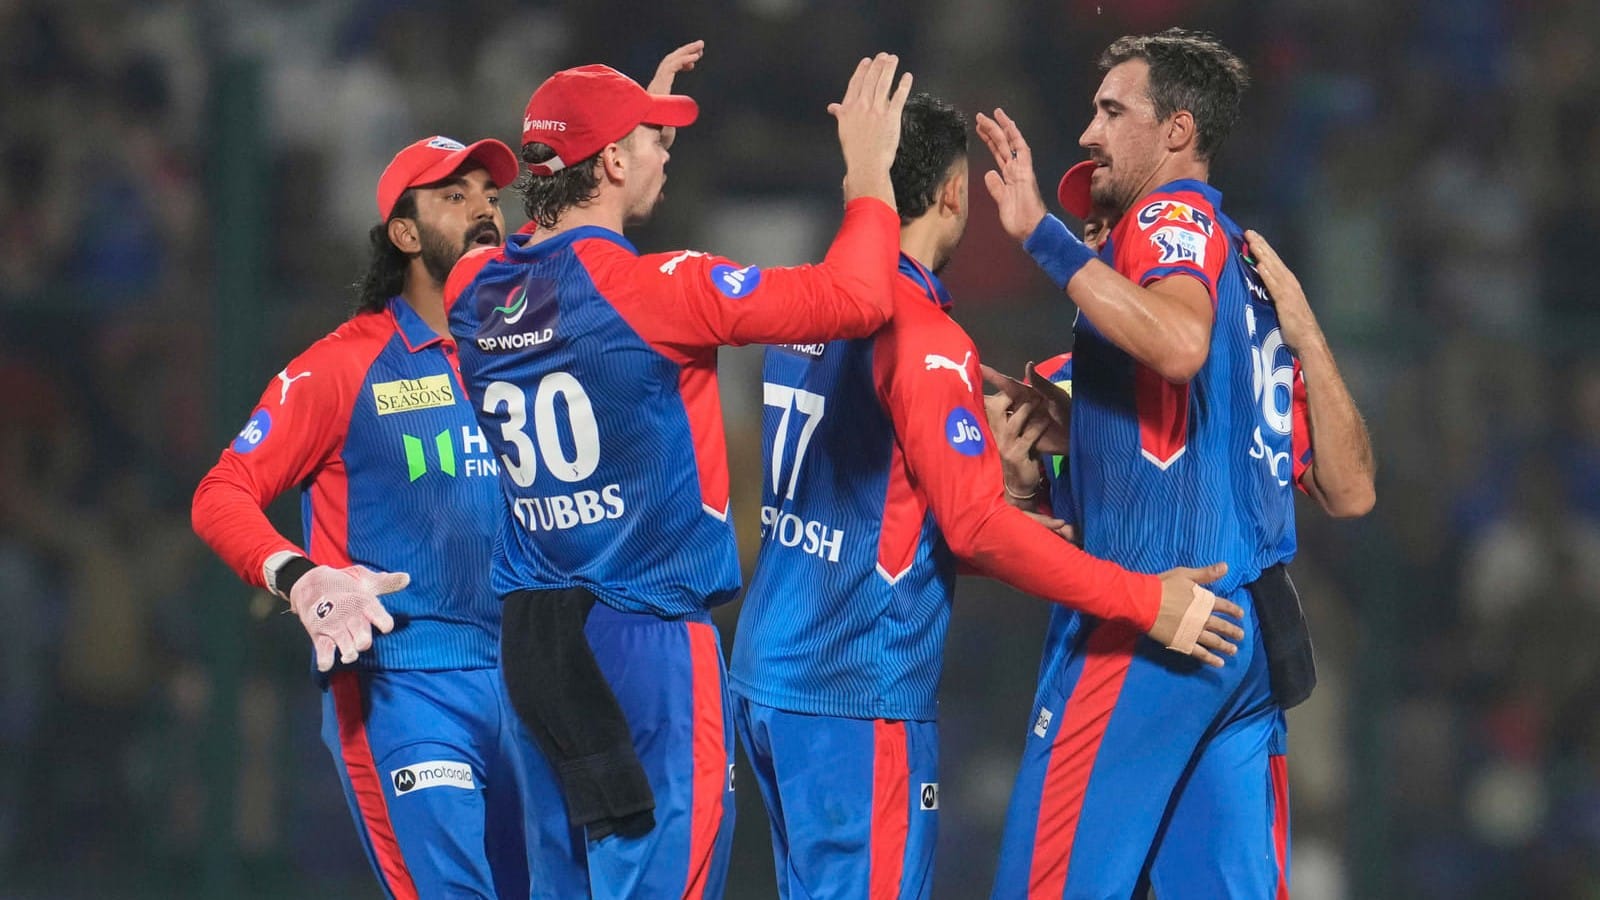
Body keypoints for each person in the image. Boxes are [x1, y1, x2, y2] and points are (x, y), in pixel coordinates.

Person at [726, 92, 1243, 900]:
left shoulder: (808, 306)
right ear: (954, 195)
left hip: (769, 684)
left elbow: (875, 516)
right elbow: (972, 528)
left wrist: (1042, 535)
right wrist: (1141, 598)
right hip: (856, 696)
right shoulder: (927, 342)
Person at [444, 51, 917, 899]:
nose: (670, 152)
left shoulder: (475, 289)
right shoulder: (663, 289)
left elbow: (560, 267)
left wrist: (626, 129)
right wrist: (869, 173)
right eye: (653, 143)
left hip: (534, 647)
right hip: (647, 643)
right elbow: (857, 299)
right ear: (615, 162)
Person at [976, 28, 1377, 898]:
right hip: (1239, 641)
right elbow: (1347, 490)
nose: (1088, 135)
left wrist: (1044, 237)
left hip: (1155, 619)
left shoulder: (1170, 220)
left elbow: (1179, 343)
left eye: (1111, 111)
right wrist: (1040, 460)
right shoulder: (1242, 308)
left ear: (1176, 133)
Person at [190, 136, 542, 898]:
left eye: (489, 192)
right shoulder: (345, 365)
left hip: (532, 683)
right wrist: (301, 575)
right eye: (455, 196)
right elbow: (221, 493)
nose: (485, 208)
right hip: (407, 688)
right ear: (406, 235)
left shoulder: (526, 351)